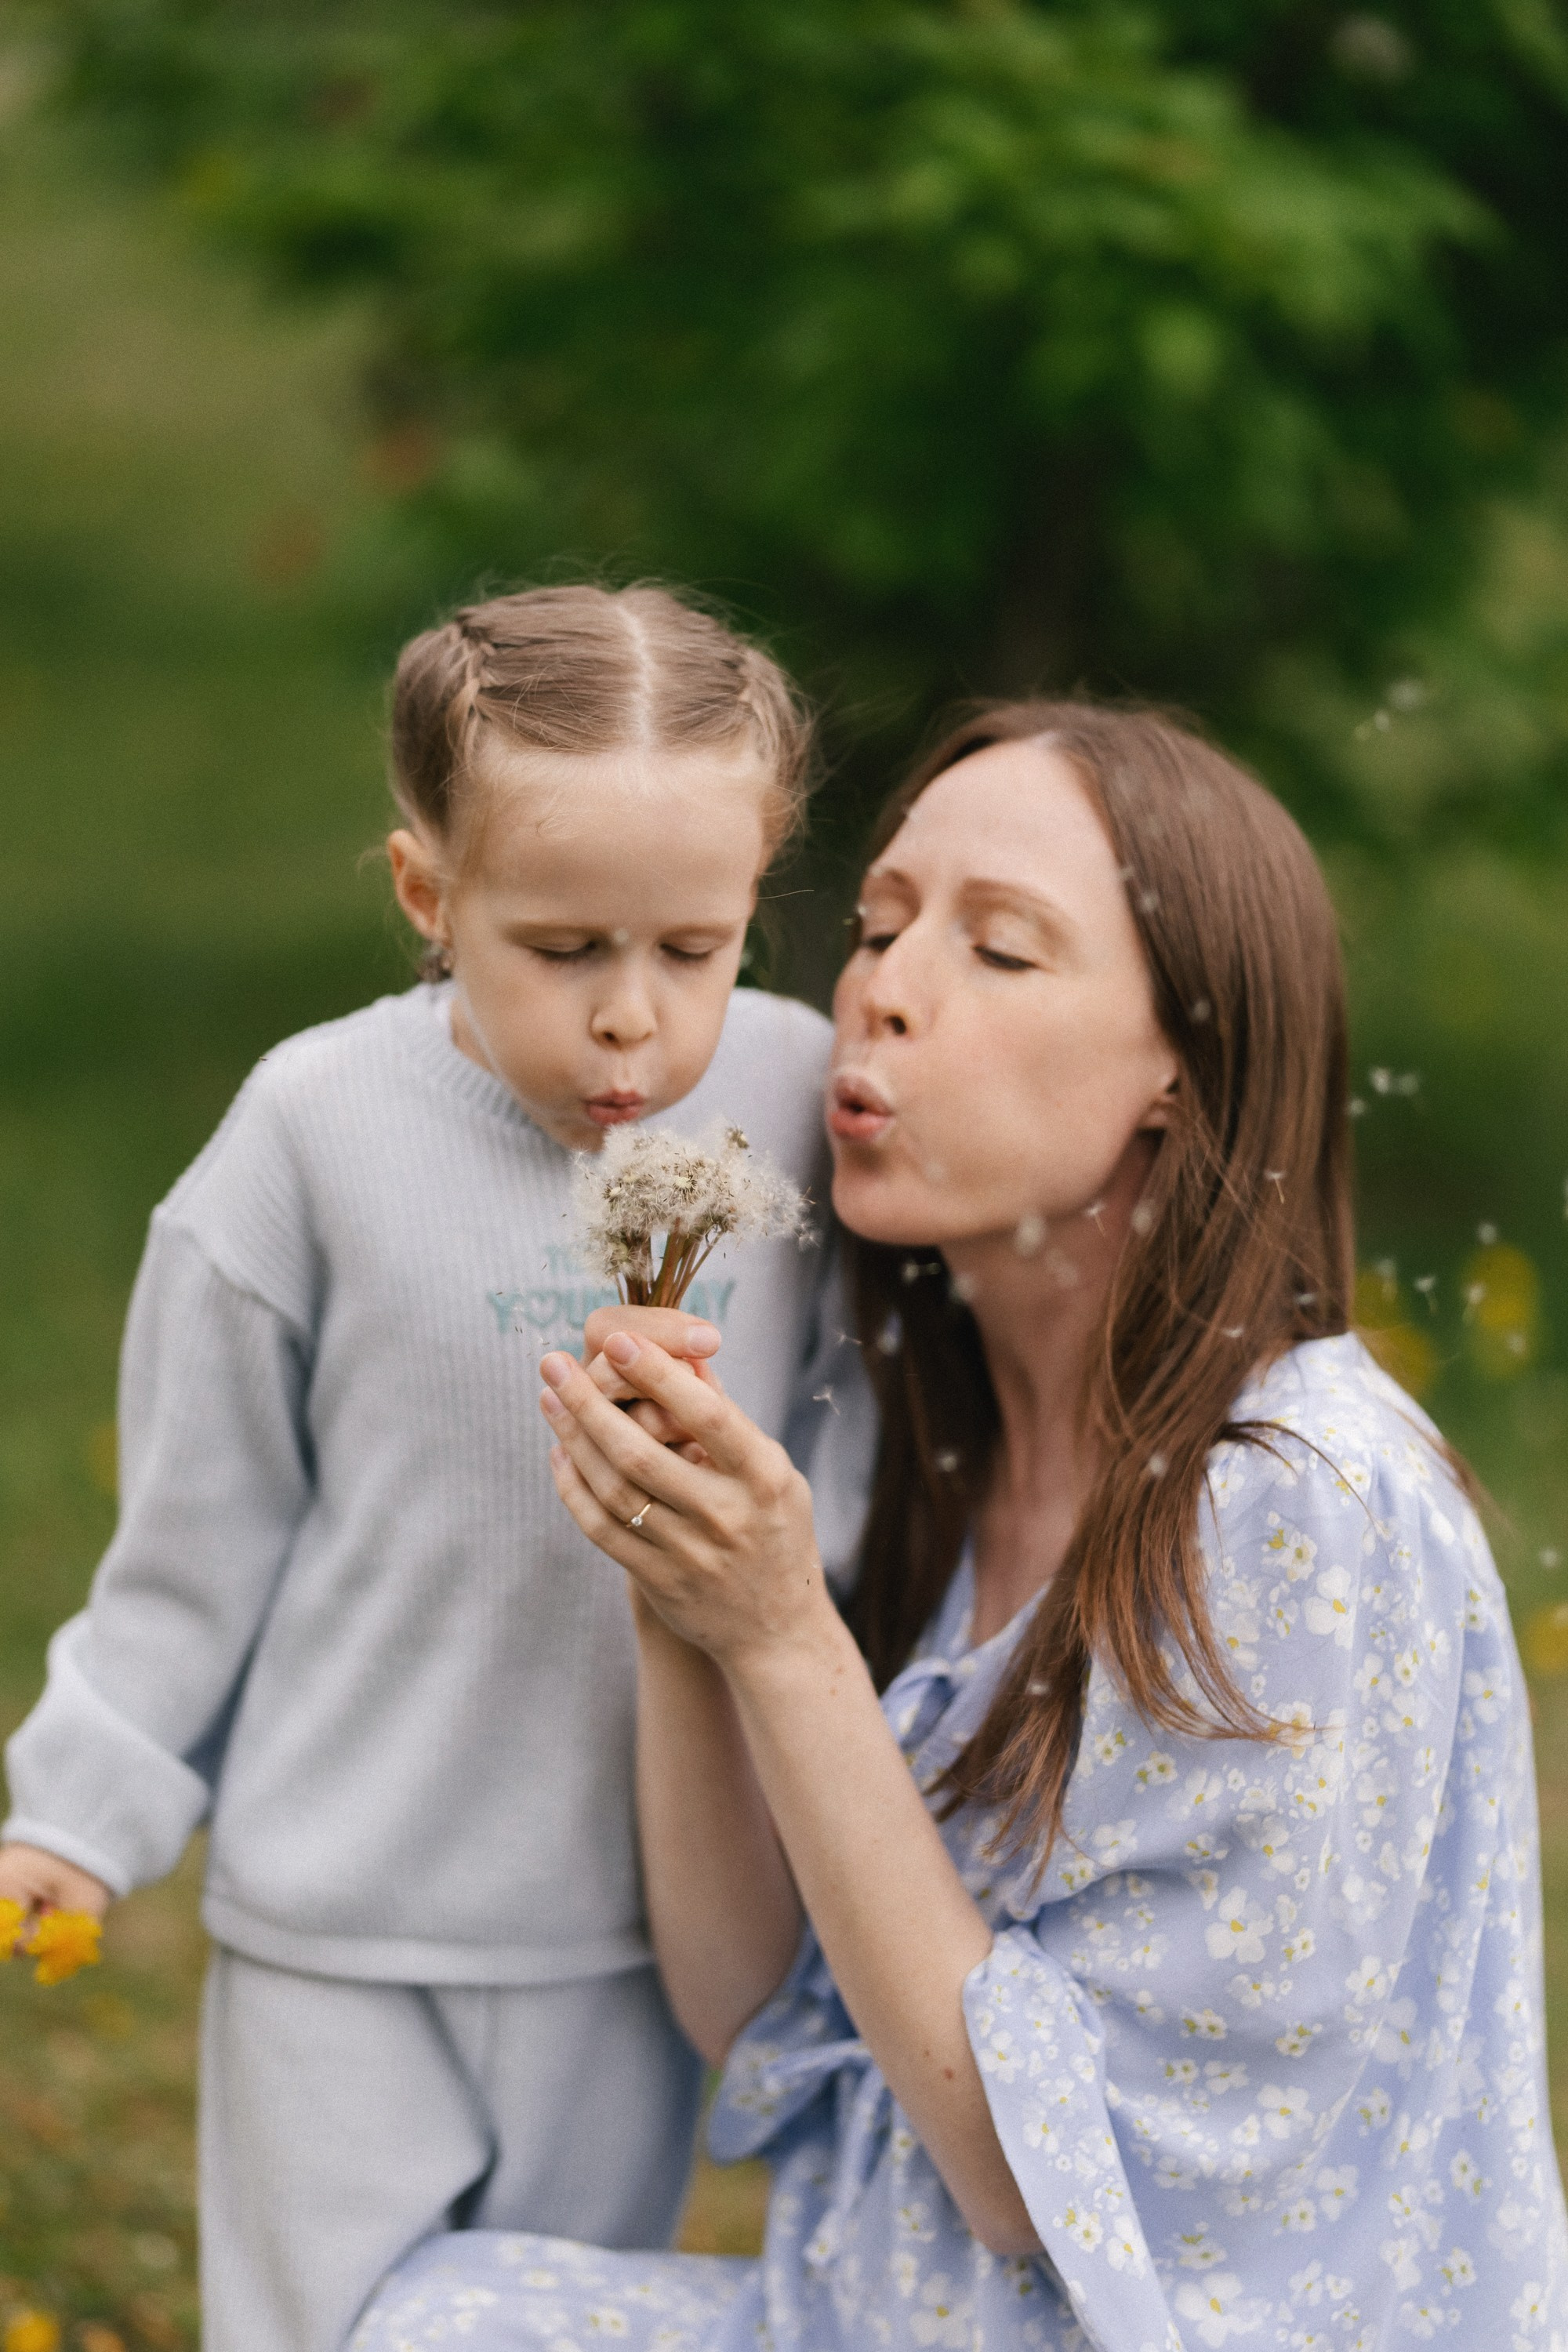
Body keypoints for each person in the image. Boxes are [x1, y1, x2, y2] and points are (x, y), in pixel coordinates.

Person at [355, 701, 1568, 2352]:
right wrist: (681, 1595)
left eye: (1000, 951)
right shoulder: (931, 1436)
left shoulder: (1305, 1503)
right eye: (876, 925)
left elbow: (1034, 2185)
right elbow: (751, 2001)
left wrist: (782, 1632)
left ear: (1177, 1068)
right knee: (424, 2316)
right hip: (870, 2309)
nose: (883, 988)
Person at [0, 586, 871, 2352]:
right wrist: (79, 1805)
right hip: (346, 1911)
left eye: (694, 949)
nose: (634, 1023)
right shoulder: (313, 1134)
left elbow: (857, 1449)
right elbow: (198, 1532)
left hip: (629, 1924)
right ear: (429, 896)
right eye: (563, 950)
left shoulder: (796, 1103)